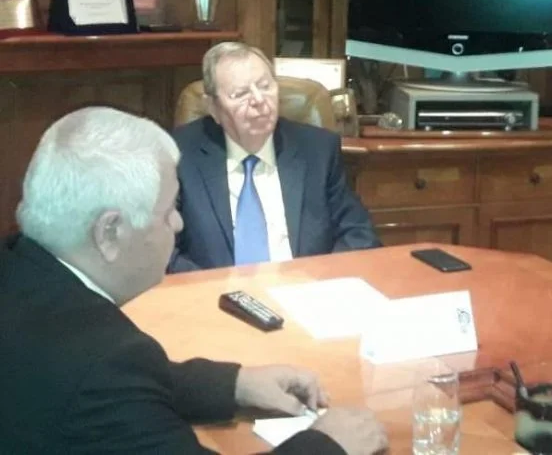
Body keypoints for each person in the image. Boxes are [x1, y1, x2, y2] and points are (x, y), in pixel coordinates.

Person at [0, 106, 389, 454]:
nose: (178, 223)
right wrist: (328, 444)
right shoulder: (102, 362)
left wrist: (233, 384)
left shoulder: (18, 267)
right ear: (110, 232)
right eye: (168, 210)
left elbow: (132, 381)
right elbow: (109, 381)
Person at [169, 41, 380, 273]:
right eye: (240, 94)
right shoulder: (177, 155)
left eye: (265, 86)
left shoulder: (317, 150)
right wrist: (214, 287)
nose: (259, 100)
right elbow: (161, 252)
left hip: (304, 287)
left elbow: (359, 234)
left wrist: (318, 279)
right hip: (214, 291)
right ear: (213, 107)